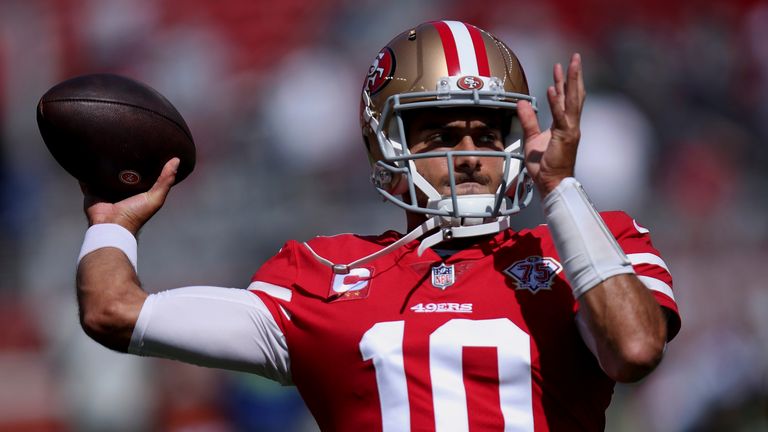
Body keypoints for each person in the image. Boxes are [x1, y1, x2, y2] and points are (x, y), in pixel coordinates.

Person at [76, 21, 679, 431]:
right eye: (443, 135)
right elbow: (116, 311)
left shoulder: (585, 247)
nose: (469, 156)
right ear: (387, 148)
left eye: (489, 135)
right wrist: (111, 223)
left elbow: (634, 347)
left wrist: (562, 192)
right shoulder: (323, 275)